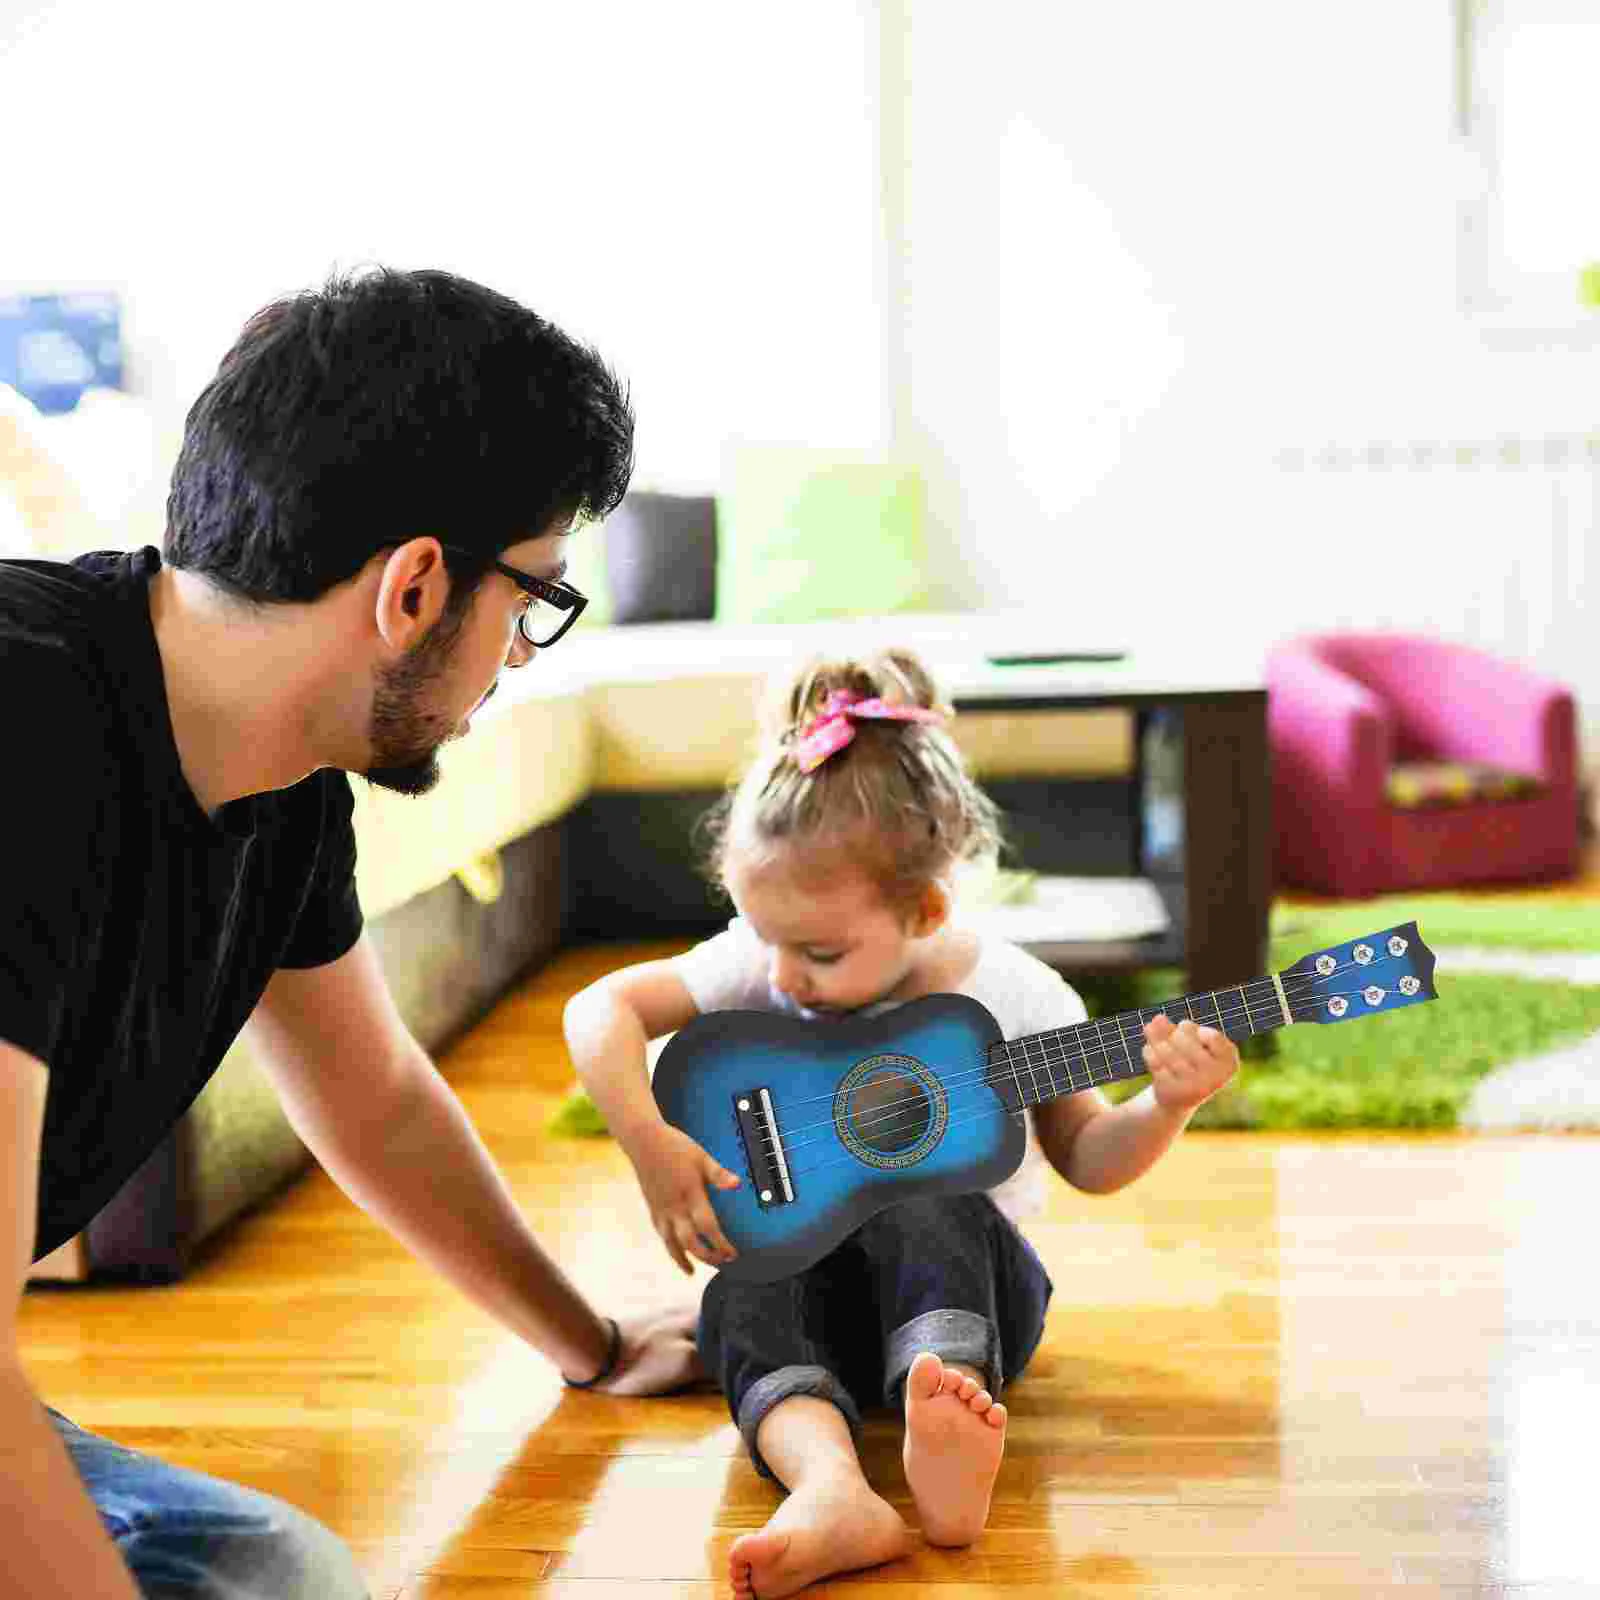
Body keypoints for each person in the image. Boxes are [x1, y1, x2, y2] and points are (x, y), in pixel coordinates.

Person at [0, 268, 701, 1600]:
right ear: (417, 588)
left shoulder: (285, 782)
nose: (522, 656)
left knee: (275, 1575)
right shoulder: (21, 733)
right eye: (536, 600)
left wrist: (594, 1347)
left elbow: (372, 1097)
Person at [564, 648, 1241, 1599]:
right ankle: (830, 1488)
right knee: (751, 1283)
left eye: (822, 952)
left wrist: (1168, 1102)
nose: (786, 976)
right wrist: (649, 1142)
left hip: (969, 1298)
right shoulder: (770, 952)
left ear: (924, 908)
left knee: (930, 1197)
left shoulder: (1014, 990)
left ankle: (944, 1418)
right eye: (770, 942)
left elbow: (1088, 1157)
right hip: (816, 1303)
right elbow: (598, 1011)